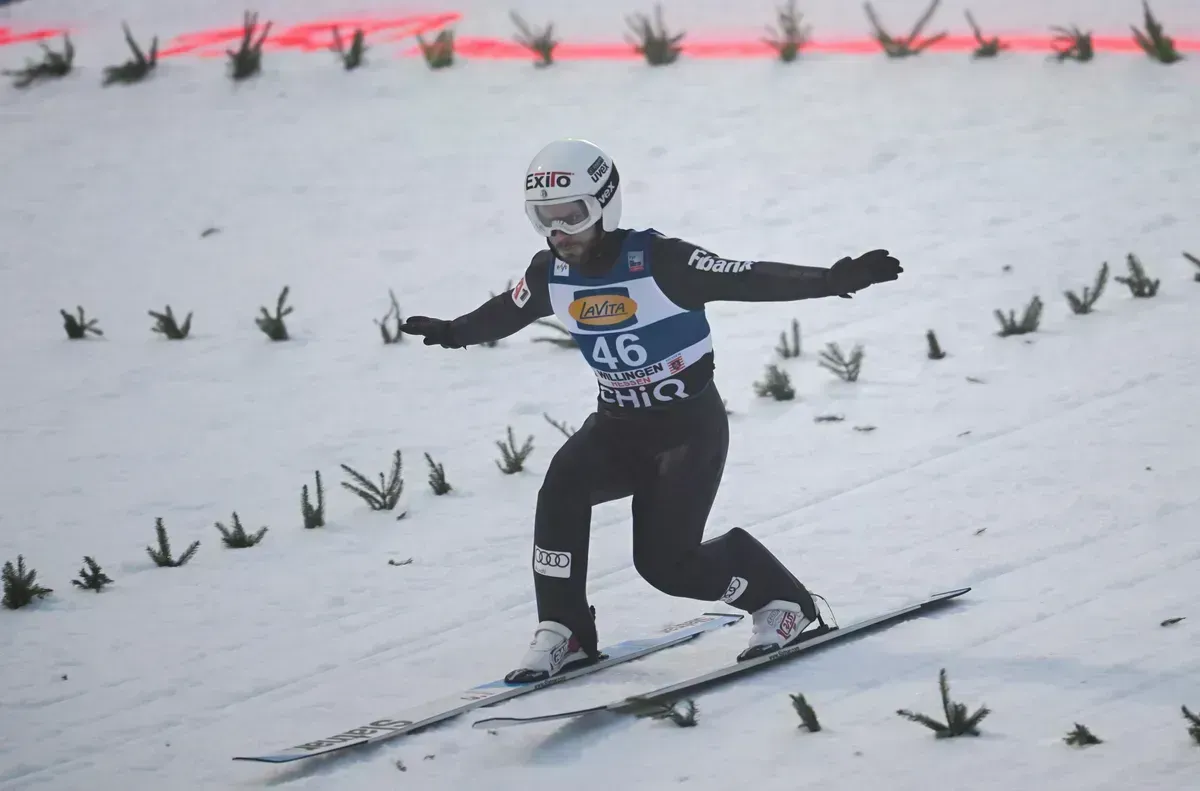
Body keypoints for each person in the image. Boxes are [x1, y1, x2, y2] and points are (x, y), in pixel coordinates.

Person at [400, 139, 902, 683]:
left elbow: (747, 276)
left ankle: (780, 601)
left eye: (573, 215)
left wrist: (828, 281)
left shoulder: (662, 261)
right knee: (562, 487)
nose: (560, 231)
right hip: (616, 429)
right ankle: (564, 628)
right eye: (545, 219)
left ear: (605, 205)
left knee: (666, 566)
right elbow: (507, 311)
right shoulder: (551, 273)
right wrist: (455, 333)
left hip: (688, 431)